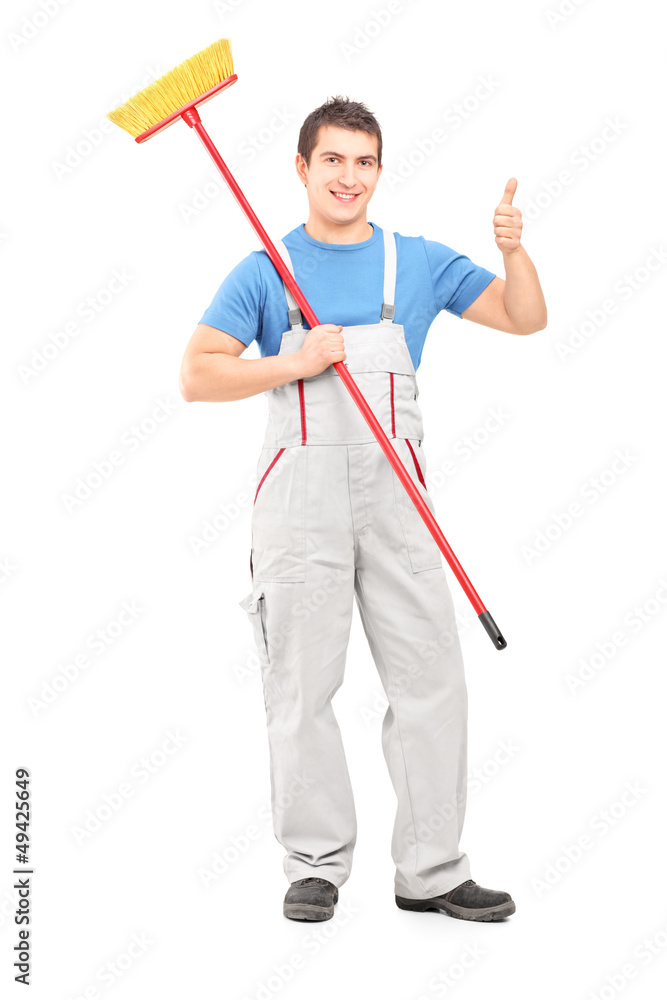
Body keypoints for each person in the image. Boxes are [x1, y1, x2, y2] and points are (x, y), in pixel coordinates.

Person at [179, 96, 547, 923]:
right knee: (300, 685)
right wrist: (294, 361)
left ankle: (432, 870)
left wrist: (512, 251)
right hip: (296, 508)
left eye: (365, 161)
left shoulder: (412, 263)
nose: (349, 177)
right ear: (302, 168)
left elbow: (525, 318)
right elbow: (197, 375)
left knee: (431, 682)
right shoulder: (264, 269)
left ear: (379, 170)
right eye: (333, 160)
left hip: (397, 504)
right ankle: (313, 866)